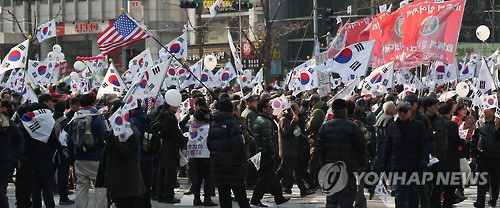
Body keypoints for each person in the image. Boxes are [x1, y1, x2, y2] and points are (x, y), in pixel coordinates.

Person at [316, 99, 366, 207]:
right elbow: (361, 148)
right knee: (347, 199)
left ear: (333, 111)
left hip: (331, 167)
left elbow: (319, 149)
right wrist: (361, 164)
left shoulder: (325, 127)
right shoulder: (353, 127)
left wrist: (323, 164)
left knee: (332, 199)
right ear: (345, 111)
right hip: (348, 168)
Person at [384, 101, 429, 208]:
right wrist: (384, 164)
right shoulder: (392, 126)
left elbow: (424, 144)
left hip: (414, 166)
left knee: (413, 196)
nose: (402, 113)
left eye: (405, 111)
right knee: (399, 195)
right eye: (400, 111)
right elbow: (388, 146)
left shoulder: (419, 126)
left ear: (410, 111)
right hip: (398, 166)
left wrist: (424, 159)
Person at [207, 97, 250, 208]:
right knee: (241, 196)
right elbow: (238, 145)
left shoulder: (213, 123)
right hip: (233, 165)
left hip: (218, 164)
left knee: (224, 195)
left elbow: (209, 144)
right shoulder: (233, 124)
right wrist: (242, 160)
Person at [67, 94, 107, 208]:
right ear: (93, 103)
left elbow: (70, 140)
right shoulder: (97, 117)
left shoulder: (75, 117)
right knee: (100, 186)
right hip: (96, 157)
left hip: (79, 157)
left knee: (81, 186)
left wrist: (72, 157)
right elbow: (105, 136)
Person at [104, 101, 146, 208]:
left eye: (112, 112)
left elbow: (126, 152)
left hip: (127, 183)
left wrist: (111, 140)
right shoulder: (115, 130)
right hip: (119, 181)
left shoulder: (130, 131)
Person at [250, 98, 290, 207]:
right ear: (264, 109)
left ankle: (279, 197)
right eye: (269, 107)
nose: (272, 109)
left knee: (271, 177)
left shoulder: (261, 119)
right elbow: (267, 140)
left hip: (263, 152)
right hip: (266, 153)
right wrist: (273, 152)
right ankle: (256, 199)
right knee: (264, 178)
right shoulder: (265, 121)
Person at [277, 104, 315, 197]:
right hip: (287, 151)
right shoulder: (284, 120)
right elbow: (287, 133)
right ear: (290, 111)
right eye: (296, 110)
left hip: (292, 150)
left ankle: (269, 185)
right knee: (296, 171)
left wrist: (307, 139)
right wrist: (294, 122)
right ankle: (303, 190)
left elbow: (297, 133)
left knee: (280, 171)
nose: (298, 112)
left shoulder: (290, 120)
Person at [156, 90, 185, 203]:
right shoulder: (170, 118)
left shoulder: (161, 115)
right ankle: (168, 195)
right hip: (170, 148)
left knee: (162, 171)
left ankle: (160, 193)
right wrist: (182, 141)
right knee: (170, 172)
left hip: (163, 147)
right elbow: (175, 133)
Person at [422, 97, 448, 208]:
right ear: (428, 107)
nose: (437, 108)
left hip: (439, 156)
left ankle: (435, 204)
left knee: (439, 182)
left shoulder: (440, 120)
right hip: (424, 157)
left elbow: (444, 137)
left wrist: (443, 149)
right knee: (425, 183)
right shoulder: (421, 119)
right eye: (435, 106)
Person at [438, 102, 465, 208]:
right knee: (450, 186)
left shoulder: (437, 122)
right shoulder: (451, 124)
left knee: (439, 185)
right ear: (450, 111)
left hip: (439, 158)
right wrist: (464, 142)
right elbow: (455, 140)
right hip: (451, 158)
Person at [472, 107, 500, 208]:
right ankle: (480, 201)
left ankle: (493, 199)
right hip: (482, 157)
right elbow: (474, 140)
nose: (484, 111)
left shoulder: (497, 123)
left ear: (493, 111)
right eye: (483, 109)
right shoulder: (479, 124)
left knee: (495, 181)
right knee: (482, 180)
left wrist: (498, 127)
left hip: (496, 157)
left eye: (487, 109)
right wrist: (474, 155)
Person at [189, 107, 218, 206]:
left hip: (195, 154)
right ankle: (207, 198)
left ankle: (196, 198)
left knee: (198, 177)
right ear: (204, 115)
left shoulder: (193, 126)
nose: (209, 115)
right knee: (207, 178)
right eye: (208, 114)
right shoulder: (208, 127)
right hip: (206, 154)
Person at [0, 100, 23, 208]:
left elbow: (19, 141)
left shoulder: (9, 125)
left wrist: (15, 157)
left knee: (1, 195)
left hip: (4, 164)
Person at [53, 99, 75, 205]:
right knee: (63, 174)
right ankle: (63, 197)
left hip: (51, 150)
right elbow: (70, 137)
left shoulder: (50, 118)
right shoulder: (66, 121)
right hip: (64, 151)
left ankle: (49, 190)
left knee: (49, 173)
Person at [305, 94, 327, 186]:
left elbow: (311, 125)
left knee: (313, 161)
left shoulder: (317, 111)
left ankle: (310, 181)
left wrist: (306, 124)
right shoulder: (322, 109)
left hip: (316, 138)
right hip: (322, 138)